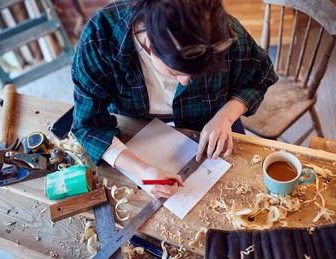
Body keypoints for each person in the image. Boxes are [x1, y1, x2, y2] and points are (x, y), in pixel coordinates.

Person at [70, 0, 278, 198]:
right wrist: (143, 171)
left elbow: (260, 76)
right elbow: (89, 125)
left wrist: (225, 116)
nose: (186, 82)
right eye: (175, 71)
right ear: (150, 42)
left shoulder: (218, 31)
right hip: (135, 126)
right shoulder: (101, 37)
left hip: (211, 120)